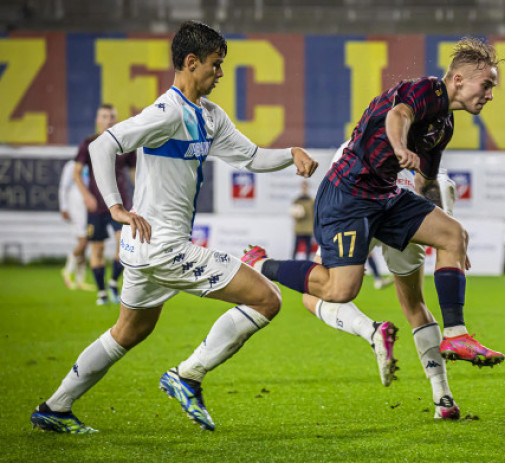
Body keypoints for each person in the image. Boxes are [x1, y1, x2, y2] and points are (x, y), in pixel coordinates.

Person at [30, 20, 318, 434]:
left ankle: (55, 408)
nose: (220, 73)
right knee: (267, 298)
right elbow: (102, 145)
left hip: (143, 247)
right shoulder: (166, 112)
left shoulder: (209, 116)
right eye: (216, 65)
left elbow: (251, 158)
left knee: (129, 331)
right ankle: (188, 376)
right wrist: (115, 206)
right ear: (190, 62)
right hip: (163, 246)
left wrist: (291, 154)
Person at [242, 37, 505, 417]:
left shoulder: (443, 125)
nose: (491, 94)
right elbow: (397, 116)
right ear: (460, 80)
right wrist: (399, 148)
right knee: (340, 288)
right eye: (488, 85)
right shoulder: (426, 90)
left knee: (454, 234)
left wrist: (445, 242)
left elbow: (426, 183)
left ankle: (456, 336)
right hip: (348, 195)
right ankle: (260, 264)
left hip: (387, 197)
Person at [74, 104, 137, 305]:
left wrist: (141, 197)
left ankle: (112, 282)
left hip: (121, 204)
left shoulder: (125, 143)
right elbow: (77, 172)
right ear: (97, 119)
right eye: (104, 116)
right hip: (97, 206)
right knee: (97, 249)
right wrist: (86, 195)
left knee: (124, 247)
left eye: (112, 116)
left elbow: (135, 174)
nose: (108, 120)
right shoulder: (89, 144)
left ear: (116, 119)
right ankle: (102, 293)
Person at [58, 159, 92, 290]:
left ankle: (80, 281)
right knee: (83, 241)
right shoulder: (72, 165)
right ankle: (67, 271)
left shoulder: (92, 164)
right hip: (75, 206)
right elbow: (64, 187)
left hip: (87, 207)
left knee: (86, 242)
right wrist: (64, 207)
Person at [290, 180, 315, 260]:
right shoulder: (297, 200)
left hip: (308, 228)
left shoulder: (312, 201)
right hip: (299, 228)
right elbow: (293, 214)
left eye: (305, 186)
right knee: (296, 248)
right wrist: (297, 214)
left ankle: (307, 265)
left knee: (308, 249)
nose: (304, 188)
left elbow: (314, 214)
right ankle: (292, 263)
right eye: (303, 186)